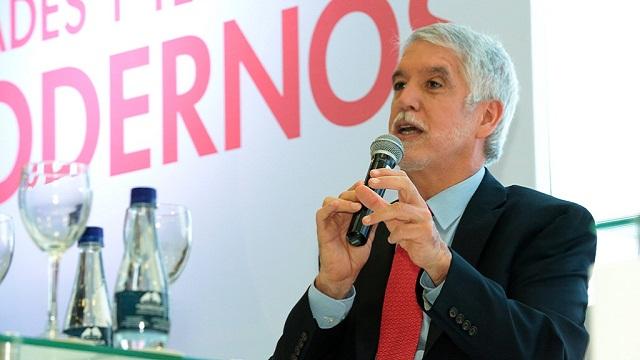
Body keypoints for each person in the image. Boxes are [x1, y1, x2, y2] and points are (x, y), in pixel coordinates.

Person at [271, 22, 596, 360]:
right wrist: (332, 288)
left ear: (487, 116)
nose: (405, 100)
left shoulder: (549, 225)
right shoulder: (363, 238)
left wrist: (442, 266)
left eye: (433, 84)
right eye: (400, 84)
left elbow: (553, 353)